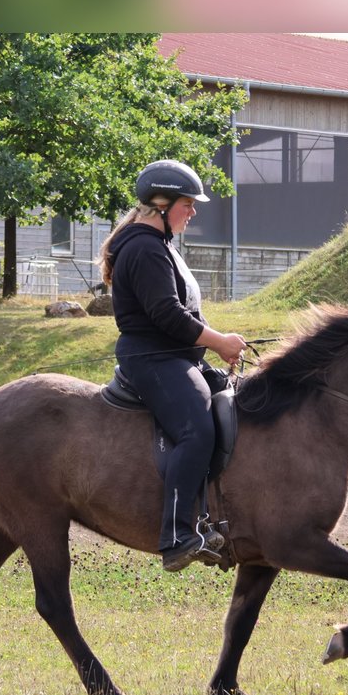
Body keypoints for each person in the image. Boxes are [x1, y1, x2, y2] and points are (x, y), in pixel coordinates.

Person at [96, 160, 247, 572]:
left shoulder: (160, 245)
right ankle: (179, 534)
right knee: (195, 429)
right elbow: (168, 315)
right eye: (187, 204)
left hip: (175, 356)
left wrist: (220, 345)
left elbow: (183, 313)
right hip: (153, 359)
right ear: (160, 205)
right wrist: (217, 342)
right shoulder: (145, 248)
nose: (193, 212)